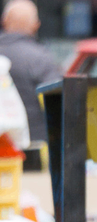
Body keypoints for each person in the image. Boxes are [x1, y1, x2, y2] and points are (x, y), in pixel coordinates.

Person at [0, 0, 61, 143]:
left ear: (4, 21)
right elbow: (58, 104)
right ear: (36, 25)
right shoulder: (41, 59)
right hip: (33, 149)